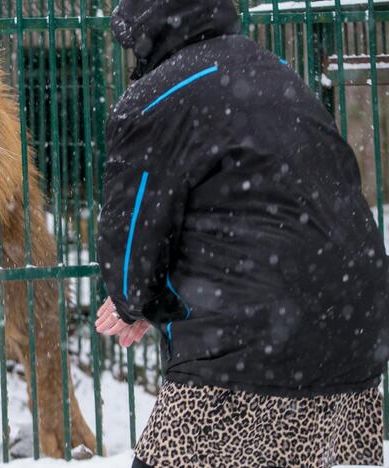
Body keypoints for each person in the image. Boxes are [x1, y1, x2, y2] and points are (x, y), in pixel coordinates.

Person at [94, 0, 389, 467]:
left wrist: (136, 302)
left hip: (248, 348)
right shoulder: (273, 72)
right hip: (354, 335)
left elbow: (132, 246)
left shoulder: (154, 101)